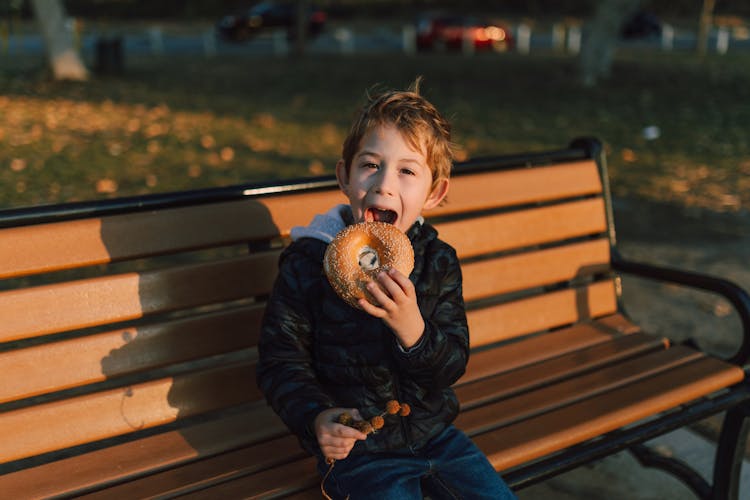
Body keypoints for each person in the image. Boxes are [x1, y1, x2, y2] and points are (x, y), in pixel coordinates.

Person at [256, 78, 516, 499]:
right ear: (344, 176)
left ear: (435, 193)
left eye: (407, 171)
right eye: (370, 165)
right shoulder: (309, 262)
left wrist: (412, 330)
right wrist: (317, 419)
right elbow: (280, 360)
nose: (384, 184)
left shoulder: (437, 262)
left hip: (435, 435)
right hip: (362, 449)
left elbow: (451, 362)